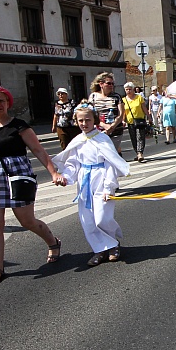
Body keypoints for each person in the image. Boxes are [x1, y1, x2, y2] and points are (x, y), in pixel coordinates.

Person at [0, 84, 64, 286]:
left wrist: (54, 172)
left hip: (18, 176)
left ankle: (53, 242)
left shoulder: (19, 126)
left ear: (8, 103)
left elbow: (38, 150)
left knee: (27, 221)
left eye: (1, 101)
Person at [53, 104, 130, 266]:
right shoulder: (78, 140)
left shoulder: (102, 138)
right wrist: (65, 177)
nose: (84, 123)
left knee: (102, 216)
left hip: (101, 180)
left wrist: (109, 187)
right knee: (87, 219)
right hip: (85, 182)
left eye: (87, 119)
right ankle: (100, 249)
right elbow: (73, 164)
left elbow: (110, 163)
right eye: (80, 120)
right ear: (76, 121)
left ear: (94, 120)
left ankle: (113, 244)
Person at [88, 73, 125, 156]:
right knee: (101, 154)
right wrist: (103, 125)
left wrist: (112, 127)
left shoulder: (116, 97)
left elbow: (121, 114)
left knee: (112, 154)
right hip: (99, 130)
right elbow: (91, 114)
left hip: (115, 130)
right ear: (101, 84)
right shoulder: (93, 96)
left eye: (112, 83)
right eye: (108, 83)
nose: (111, 85)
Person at [122, 82, 149, 163]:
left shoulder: (139, 97)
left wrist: (149, 117)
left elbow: (144, 108)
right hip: (130, 122)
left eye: (130, 89)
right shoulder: (124, 100)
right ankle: (137, 153)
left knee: (140, 137)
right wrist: (123, 120)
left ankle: (140, 153)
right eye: (127, 89)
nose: (128, 91)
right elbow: (124, 111)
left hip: (140, 120)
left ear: (133, 89)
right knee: (133, 138)